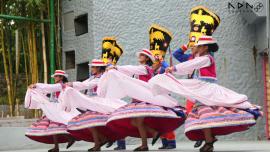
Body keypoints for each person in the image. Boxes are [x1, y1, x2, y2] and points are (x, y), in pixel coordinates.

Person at [150, 35, 262, 152]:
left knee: (205, 114)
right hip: (201, 87)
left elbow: (190, 65)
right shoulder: (199, 58)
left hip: (207, 89)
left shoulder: (207, 58)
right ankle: (209, 139)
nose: (196, 47)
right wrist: (171, 69)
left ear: (205, 47)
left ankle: (209, 140)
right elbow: (188, 67)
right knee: (203, 114)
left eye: (198, 45)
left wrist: (173, 69)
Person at [101, 49, 185, 151]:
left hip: (144, 99)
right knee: (134, 122)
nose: (140, 56)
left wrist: (117, 67)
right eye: (140, 54)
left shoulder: (145, 68)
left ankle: (145, 145)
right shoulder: (140, 69)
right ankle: (154, 133)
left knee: (139, 122)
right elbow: (128, 74)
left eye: (142, 55)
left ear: (146, 58)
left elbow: (131, 69)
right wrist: (113, 68)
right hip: (138, 100)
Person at [60, 59, 126, 151]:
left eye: (93, 67)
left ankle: (107, 142)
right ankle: (101, 141)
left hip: (100, 103)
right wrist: (71, 85)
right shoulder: (93, 78)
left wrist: (72, 84)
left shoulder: (101, 78)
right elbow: (84, 84)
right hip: (93, 104)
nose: (92, 69)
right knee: (91, 124)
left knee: (104, 124)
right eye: (92, 67)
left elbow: (88, 85)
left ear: (99, 68)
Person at [25, 70, 78, 152]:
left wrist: (36, 85)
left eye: (56, 76)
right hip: (54, 109)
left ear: (61, 77)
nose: (55, 78)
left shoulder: (61, 85)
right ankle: (58, 146)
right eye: (55, 76)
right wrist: (35, 90)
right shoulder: (55, 86)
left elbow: (47, 87)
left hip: (60, 109)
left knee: (56, 127)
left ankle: (69, 139)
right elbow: (46, 92)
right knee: (53, 129)